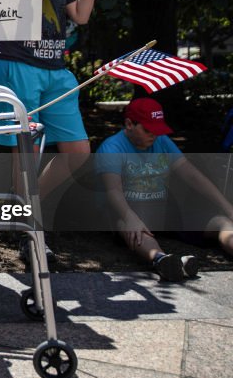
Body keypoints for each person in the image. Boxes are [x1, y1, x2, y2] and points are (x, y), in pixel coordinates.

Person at [0, 0, 108, 264]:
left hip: (56, 66)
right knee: (25, 155)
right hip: (17, 60)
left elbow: (80, 15)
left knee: (78, 152)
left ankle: (21, 211)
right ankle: (30, 231)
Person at [97, 98, 233, 281]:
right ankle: (162, 260)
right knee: (127, 225)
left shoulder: (162, 141)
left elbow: (191, 175)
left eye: (157, 129)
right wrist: (131, 218)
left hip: (162, 207)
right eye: (147, 129)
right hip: (127, 207)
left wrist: (227, 207)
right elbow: (113, 190)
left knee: (220, 221)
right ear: (129, 124)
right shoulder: (111, 148)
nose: (154, 135)